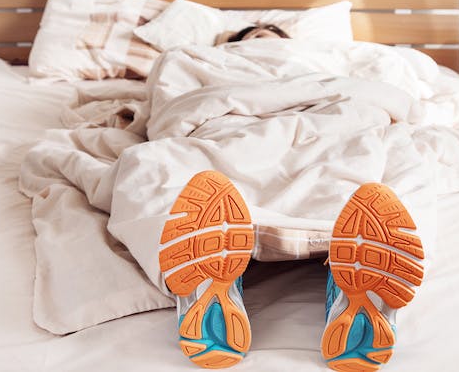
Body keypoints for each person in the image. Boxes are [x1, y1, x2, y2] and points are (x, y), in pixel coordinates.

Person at [157, 26, 424, 372]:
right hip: (229, 120)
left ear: (289, 40)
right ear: (236, 44)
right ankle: (350, 295)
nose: (263, 35)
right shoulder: (203, 58)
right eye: (253, 34)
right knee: (164, 169)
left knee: (385, 177)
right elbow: (168, 105)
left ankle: (207, 289)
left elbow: (390, 95)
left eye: (271, 31)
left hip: (328, 113)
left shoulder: (323, 58)